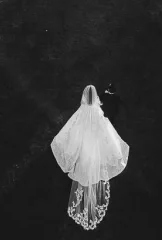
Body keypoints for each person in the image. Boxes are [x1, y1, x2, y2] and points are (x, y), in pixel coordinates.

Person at [51, 85, 129, 231]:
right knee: (92, 161)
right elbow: (106, 131)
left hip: (84, 145)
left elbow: (72, 128)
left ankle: (86, 184)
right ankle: (90, 185)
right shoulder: (98, 113)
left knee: (85, 161)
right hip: (94, 145)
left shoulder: (81, 113)